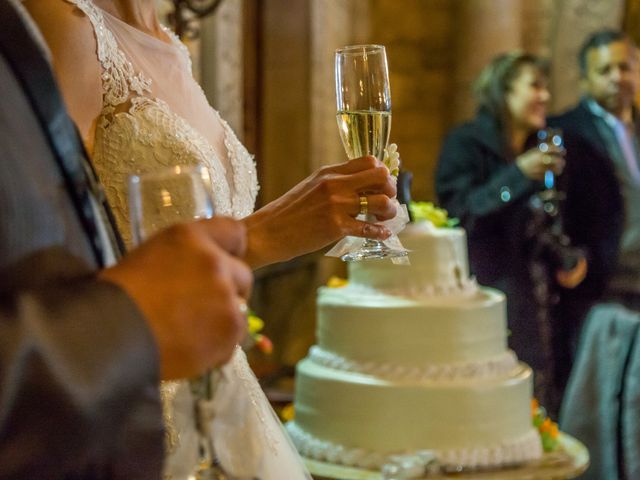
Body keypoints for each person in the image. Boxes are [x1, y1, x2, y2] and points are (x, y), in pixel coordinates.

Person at [22, 0, 399, 478]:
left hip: (227, 393)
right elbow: (56, 262)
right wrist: (259, 236)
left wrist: (292, 223)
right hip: (146, 406)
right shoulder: (66, 25)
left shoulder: (174, 45)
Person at [0, 1, 252, 477]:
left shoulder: (173, 43)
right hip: (131, 390)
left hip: (210, 376)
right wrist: (128, 326)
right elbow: (74, 250)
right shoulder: (67, 25)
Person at [435, 51, 585, 414]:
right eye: (535, 85)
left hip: (539, 301)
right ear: (504, 91)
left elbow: (542, 222)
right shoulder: (465, 143)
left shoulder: (539, 146)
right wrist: (517, 175)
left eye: (546, 87)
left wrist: (567, 257)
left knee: (539, 402)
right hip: (485, 299)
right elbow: (459, 216)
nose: (546, 97)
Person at [550, 30, 640, 317]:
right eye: (604, 70)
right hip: (598, 290)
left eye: (624, 67)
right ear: (585, 80)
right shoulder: (565, 131)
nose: (617, 77)